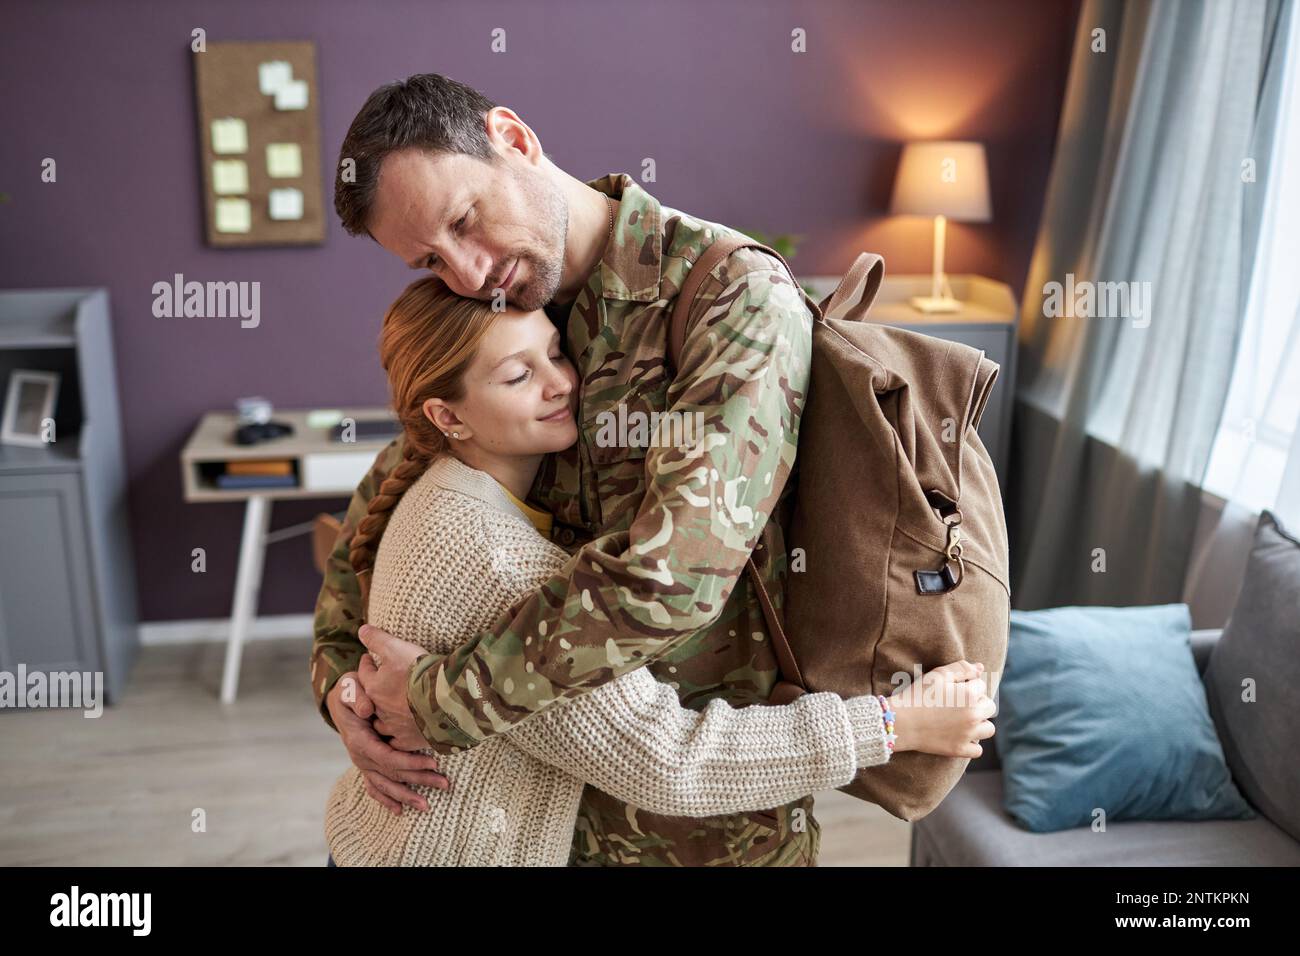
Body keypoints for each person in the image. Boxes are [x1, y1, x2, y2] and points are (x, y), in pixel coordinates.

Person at [314, 73, 996, 866]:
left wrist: (436, 701)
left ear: (514, 137)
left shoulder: (728, 297)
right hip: (519, 826)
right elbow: (383, 517)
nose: (467, 272)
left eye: (465, 221)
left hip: (701, 829)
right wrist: (347, 692)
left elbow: (673, 573)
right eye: (430, 260)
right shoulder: (487, 312)